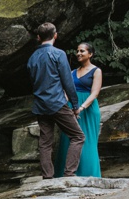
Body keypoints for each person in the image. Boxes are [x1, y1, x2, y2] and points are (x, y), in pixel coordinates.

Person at [26, 22, 85, 178]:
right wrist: (75, 104)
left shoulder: (32, 58)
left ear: (38, 37)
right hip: (57, 102)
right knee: (78, 136)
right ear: (56, 35)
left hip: (40, 105)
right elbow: (68, 81)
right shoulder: (58, 54)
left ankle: (47, 177)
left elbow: (33, 82)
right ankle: (69, 174)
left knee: (45, 143)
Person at [55, 42, 102, 177]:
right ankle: (66, 173)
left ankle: (90, 174)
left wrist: (81, 107)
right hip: (71, 107)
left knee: (88, 142)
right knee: (67, 140)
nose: (78, 53)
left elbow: (95, 93)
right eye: (77, 51)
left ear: (90, 54)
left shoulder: (96, 71)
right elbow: (65, 91)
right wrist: (64, 106)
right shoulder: (72, 72)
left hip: (88, 108)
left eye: (82, 51)